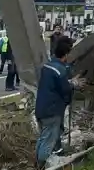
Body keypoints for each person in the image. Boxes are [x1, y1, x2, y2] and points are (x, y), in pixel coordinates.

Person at [35, 36, 81, 168]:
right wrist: (74, 84)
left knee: (43, 138)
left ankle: (39, 162)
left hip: (42, 109)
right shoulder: (59, 70)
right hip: (52, 111)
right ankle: (42, 165)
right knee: (48, 142)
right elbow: (65, 88)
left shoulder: (48, 66)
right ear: (66, 54)